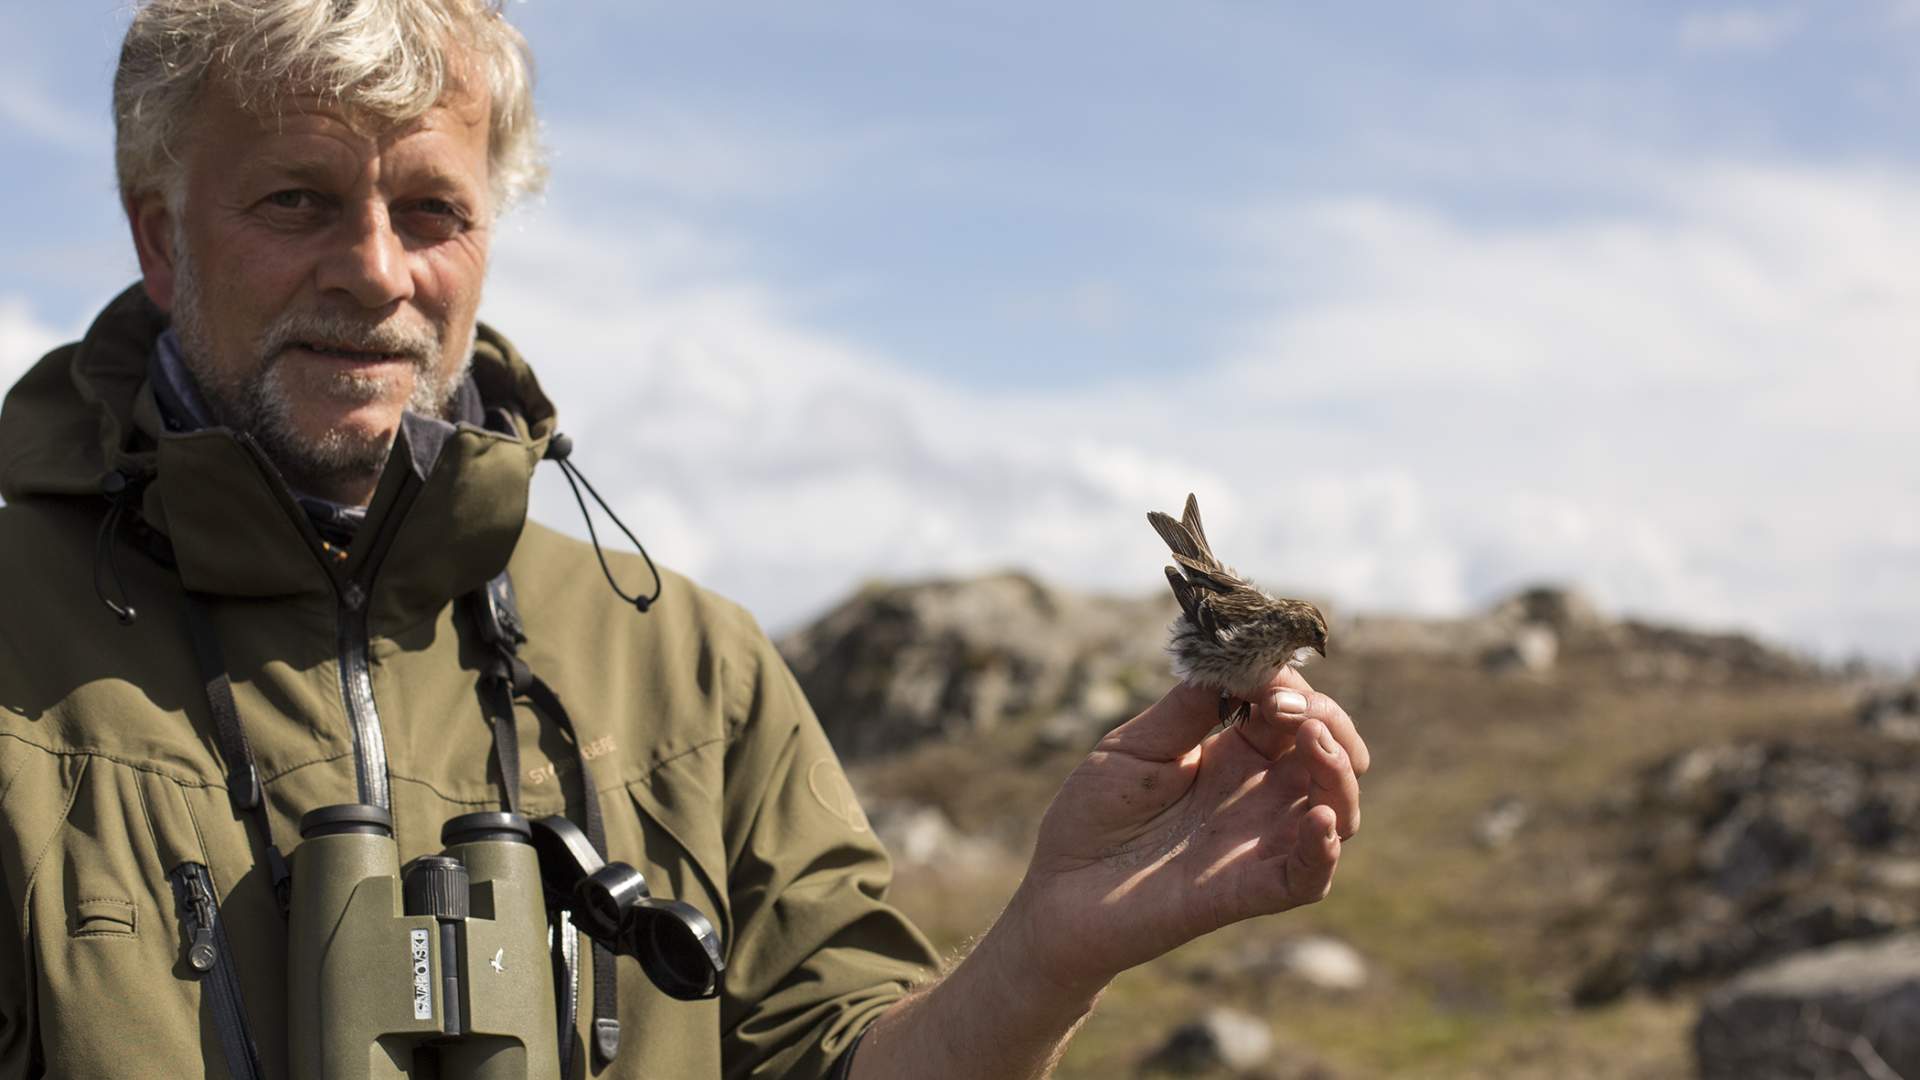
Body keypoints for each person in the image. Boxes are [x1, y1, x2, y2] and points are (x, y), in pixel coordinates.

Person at [0, 1, 1370, 1077]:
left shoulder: (688, 665)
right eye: (294, 199)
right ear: (161, 239)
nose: (373, 267)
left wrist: (1049, 952)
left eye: (431, 209)